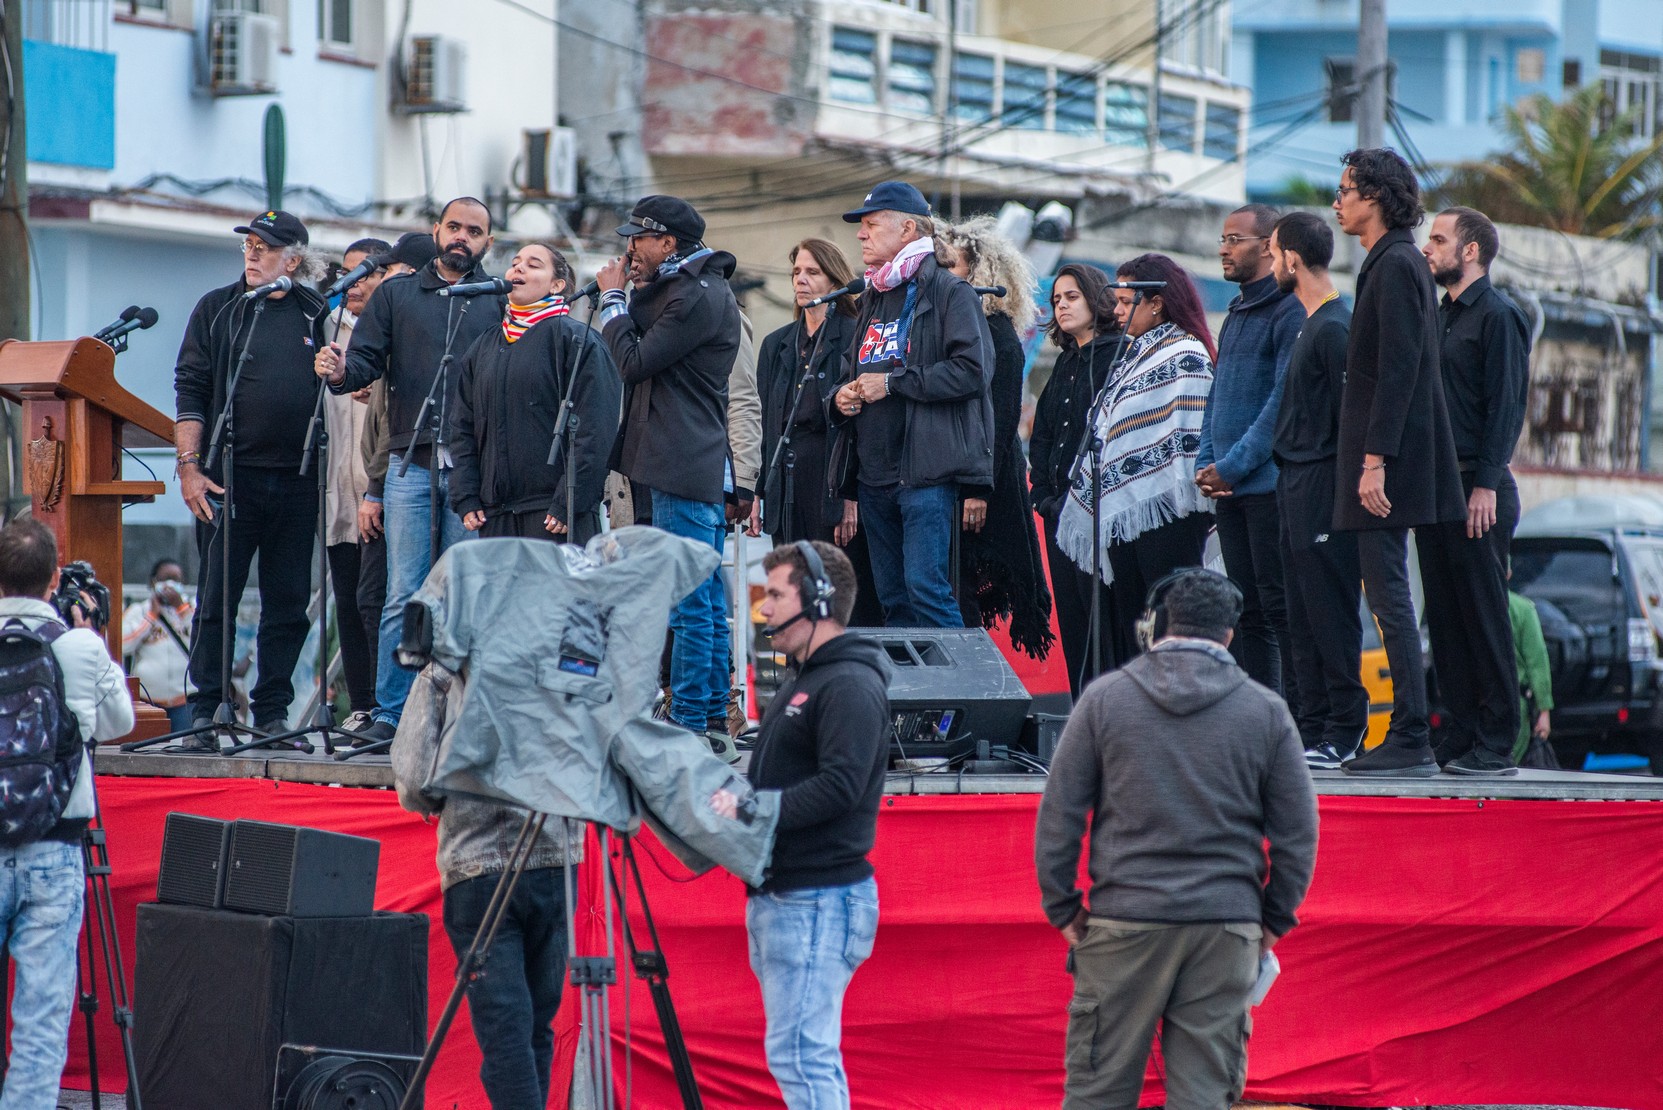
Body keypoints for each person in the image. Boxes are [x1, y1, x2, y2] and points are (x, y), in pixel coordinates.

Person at [1034, 568, 1317, 1110]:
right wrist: (1271, 921)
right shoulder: (1266, 711)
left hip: (1123, 920)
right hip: (1225, 926)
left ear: (1160, 623)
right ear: (1230, 633)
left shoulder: (1105, 699)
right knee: (1204, 1096)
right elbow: (1298, 835)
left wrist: (1063, 907)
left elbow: (1059, 815)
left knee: (1097, 1093)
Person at [316, 198, 504, 745]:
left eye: (475, 231)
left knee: (460, 594)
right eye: (455, 227)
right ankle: (391, 715)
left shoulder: (497, 299)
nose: (462, 237)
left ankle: (455, 717)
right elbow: (365, 362)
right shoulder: (397, 294)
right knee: (404, 592)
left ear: (488, 243)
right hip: (408, 462)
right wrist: (340, 370)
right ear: (436, 231)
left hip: (472, 469)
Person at [715, 540, 889, 1110]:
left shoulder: (849, 684)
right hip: (792, 895)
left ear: (818, 598)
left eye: (776, 595)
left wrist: (752, 810)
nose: (763, 609)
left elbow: (842, 786)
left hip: (816, 899)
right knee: (801, 1055)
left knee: (801, 1057)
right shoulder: (807, 680)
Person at [1330, 149, 1467, 778]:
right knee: (1386, 594)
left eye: (1346, 190)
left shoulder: (1396, 264)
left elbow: (1399, 368)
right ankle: (1408, 732)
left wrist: (1375, 459)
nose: (1337, 202)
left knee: (1389, 596)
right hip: (1386, 457)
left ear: (1377, 197)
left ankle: (1410, 734)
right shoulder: (1390, 262)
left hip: (1390, 463)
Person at [391, 652, 576, 1110]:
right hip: (556, 859)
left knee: (507, 1034)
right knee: (533, 1028)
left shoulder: (444, 669)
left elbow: (413, 779)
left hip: (478, 866)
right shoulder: (563, 653)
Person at [174, 209, 330, 746]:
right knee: (217, 597)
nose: (253, 254)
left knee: (287, 604)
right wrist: (189, 468)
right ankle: (206, 710)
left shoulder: (316, 311)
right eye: (249, 245)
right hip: (228, 479)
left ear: (295, 260)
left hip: (299, 480)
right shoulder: (219, 308)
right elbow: (191, 388)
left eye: (265, 247)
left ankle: (272, 714)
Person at [596, 195, 741, 753]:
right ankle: (707, 718)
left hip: (683, 461)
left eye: (639, 239)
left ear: (669, 243)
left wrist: (613, 298)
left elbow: (633, 362)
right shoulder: (683, 288)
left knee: (690, 599)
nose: (630, 248)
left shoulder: (695, 295)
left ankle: (692, 719)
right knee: (701, 598)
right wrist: (630, 291)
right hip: (677, 460)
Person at [0, 518, 136, 1110]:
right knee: (40, 1021)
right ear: (54, 578)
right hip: (55, 846)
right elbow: (120, 724)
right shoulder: (77, 646)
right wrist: (92, 641)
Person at [830, 180, 994, 628]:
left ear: (907, 229)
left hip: (925, 474)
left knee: (927, 593)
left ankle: (960, 678)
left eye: (871, 224)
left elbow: (973, 371)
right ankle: (910, 680)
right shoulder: (872, 296)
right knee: (893, 600)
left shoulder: (950, 292)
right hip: (873, 475)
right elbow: (851, 370)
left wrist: (893, 383)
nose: (861, 234)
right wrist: (840, 397)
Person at [1055, 253, 1216, 663]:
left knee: (1170, 620)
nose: (1118, 312)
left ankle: (1178, 697)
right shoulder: (1133, 356)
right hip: (1125, 513)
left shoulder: (1187, 354)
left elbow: (1188, 435)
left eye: (1127, 303)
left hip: (1170, 512)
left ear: (1156, 303)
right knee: (1135, 627)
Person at [1418, 206, 1531, 776]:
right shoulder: (1438, 315)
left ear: (1471, 251)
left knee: (1485, 619)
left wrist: (1486, 483)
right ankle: (1460, 733)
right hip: (1437, 488)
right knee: (1445, 619)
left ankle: (1495, 742)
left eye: (1438, 239)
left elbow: (1506, 406)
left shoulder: (1498, 316)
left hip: (1476, 489)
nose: (1427, 248)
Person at [1267, 212, 1370, 770]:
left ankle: (1345, 729)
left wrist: (1340, 496)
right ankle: (1310, 727)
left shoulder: (1335, 327)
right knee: (1300, 614)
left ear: (1292, 259)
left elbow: (1350, 421)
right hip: (1293, 483)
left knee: (1329, 610)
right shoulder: (1309, 323)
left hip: (1324, 485)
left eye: (1273, 253)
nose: (1270, 264)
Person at [1196, 204, 1304, 697]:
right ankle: (1253, 716)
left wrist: (1234, 466)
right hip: (1230, 489)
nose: (1224, 249)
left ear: (1268, 246)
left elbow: (1281, 403)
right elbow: (1216, 396)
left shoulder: (1288, 309)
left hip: (1266, 488)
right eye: (1223, 239)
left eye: (1234, 239)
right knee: (1243, 611)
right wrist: (1207, 461)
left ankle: (1286, 719)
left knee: (1278, 611)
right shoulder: (1236, 312)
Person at [936, 217, 1055, 659]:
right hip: (951, 475)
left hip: (986, 478)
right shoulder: (947, 329)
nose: (942, 275)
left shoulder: (998, 335)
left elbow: (1003, 422)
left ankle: (972, 678)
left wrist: (978, 489)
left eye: (951, 266)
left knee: (963, 587)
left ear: (980, 272)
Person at [450, 241, 621, 543]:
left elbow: (596, 427)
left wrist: (570, 500)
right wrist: (466, 494)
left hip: (554, 514)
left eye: (533, 264)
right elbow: (463, 425)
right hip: (496, 514)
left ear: (557, 285)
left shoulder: (575, 339)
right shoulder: (485, 345)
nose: (518, 268)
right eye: (515, 263)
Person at [755, 238, 882, 626]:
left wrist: (850, 495)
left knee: (836, 587)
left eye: (812, 272)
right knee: (793, 583)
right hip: (787, 479)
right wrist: (760, 491)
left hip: (832, 477)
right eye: (796, 271)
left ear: (835, 281)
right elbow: (767, 426)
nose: (801, 279)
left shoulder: (855, 335)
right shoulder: (776, 344)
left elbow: (864, 426)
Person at [353, 231, 439, 722]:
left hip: (404, 476)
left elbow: (393, 426)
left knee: (401, 596)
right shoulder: (391, 326)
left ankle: (408, 710)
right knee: (390, 597)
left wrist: (376, 488)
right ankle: (388, 711)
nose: (382, 279)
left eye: (390, 270)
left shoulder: (420, 322)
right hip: (395, 477)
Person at [1030, 264, 1122, 694]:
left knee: (1104, 623)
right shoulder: (1066, 361)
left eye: (1071, 297)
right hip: (1057, 515)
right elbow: (1043, 434)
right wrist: (1044, 495)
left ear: (1095, 299)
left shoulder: (1119, 356)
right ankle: (1085, 712)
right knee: (1072, 622)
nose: (1061, 307)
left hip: (1097, 513)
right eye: (1056, 300)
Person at [321, 236, 392, 729]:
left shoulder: (393, 327)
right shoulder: (325, 327)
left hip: (382, 487)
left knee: (380, 600)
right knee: (346, 600)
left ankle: (389, 705)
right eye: (347, 272)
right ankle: (361, 704)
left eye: (364, 272)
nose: (353, 283)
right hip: (337, 489)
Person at [121, 557, 195, 731]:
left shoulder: (193, 608)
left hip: (185, 702)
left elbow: (203, 642)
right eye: (164, 579)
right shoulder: (138, 611)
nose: (170, 585)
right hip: (148, 702)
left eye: (175, 580)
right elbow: (124, 645)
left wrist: (181, 609)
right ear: (153, 582)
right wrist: (151, 617)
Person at [1509, 584, 1554, 765]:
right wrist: (1544, 710)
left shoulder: (1472, 605)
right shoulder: (1522, 608)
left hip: (1476, 704)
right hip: (1515, 704)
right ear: (1508, 574)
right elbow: (1537, 662)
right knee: (1510, 765)